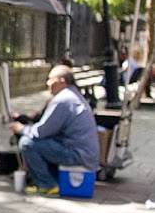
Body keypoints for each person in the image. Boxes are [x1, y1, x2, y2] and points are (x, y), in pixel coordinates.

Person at [8, 65, 99, 196]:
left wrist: (22, 129)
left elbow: (42, 131)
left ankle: (46, 184)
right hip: (84, 152)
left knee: (28, 143)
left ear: (62, 81)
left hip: (77, 154)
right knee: (40, 142)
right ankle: (51, 180)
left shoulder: (63, 100)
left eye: (51, 79)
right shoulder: (72, 95)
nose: (48, 83)